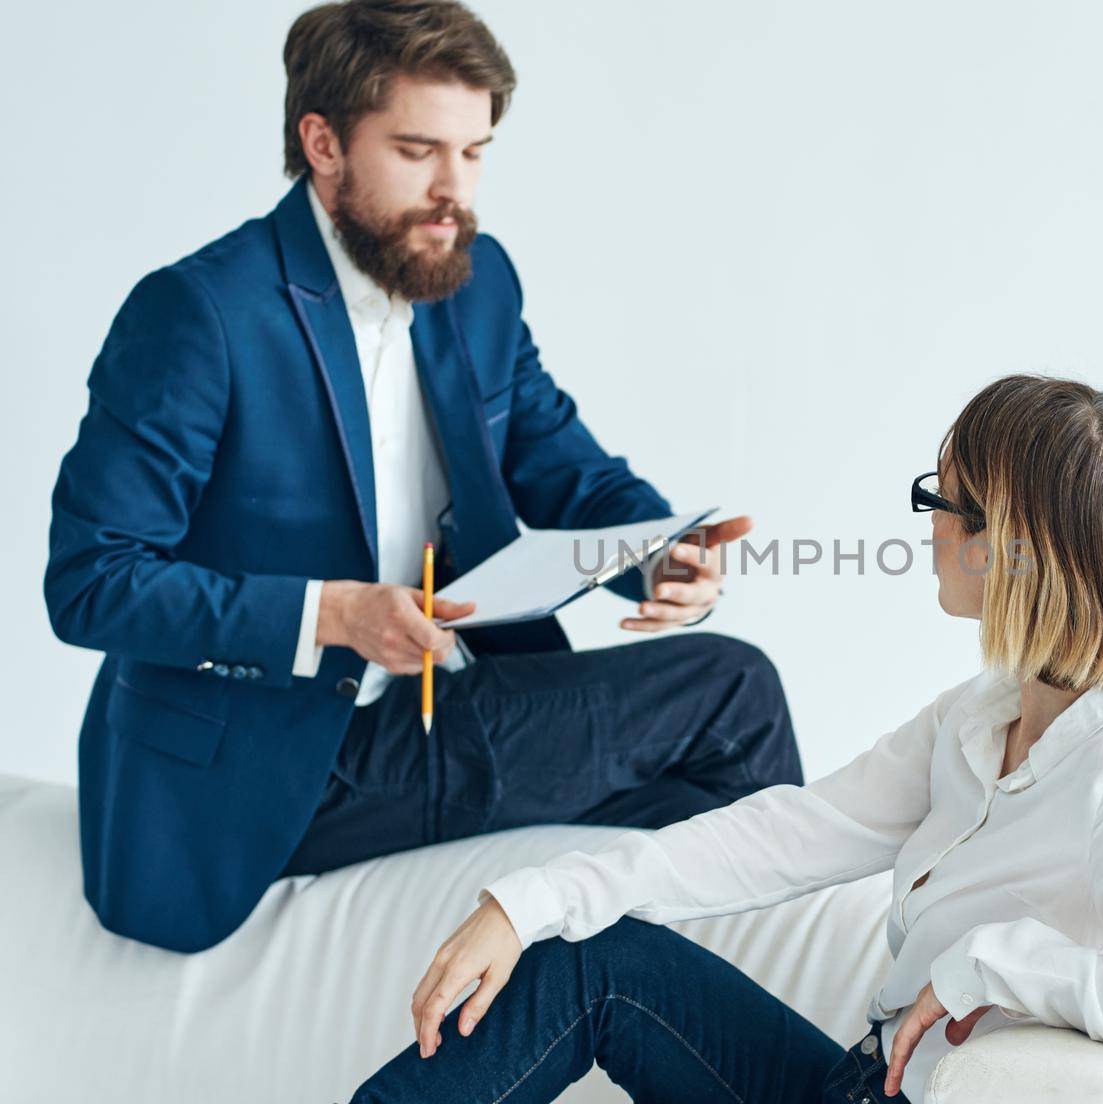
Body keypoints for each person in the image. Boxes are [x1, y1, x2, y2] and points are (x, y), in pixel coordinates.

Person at [42, 0, 801, 955]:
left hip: (441, 707)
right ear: (322, 143)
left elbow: (560, 462)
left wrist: (655, 550)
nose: (456, 190)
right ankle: (798, 1024)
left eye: (475, 152)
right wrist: (332, 615)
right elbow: (92, 580)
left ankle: (708, 1031)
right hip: (280, 768)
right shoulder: (201, 314)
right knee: (733, 696)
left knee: (705, 791)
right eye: (417, 151)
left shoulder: (472, 280)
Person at [349, 376, 1103, 1104]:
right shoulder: (982, 716)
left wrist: (988, 966)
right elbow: (781, 835)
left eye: (941, 498)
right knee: (592, 961)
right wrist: (528, 902)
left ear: (1008, 545)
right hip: (854, 1082)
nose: (928, 524)